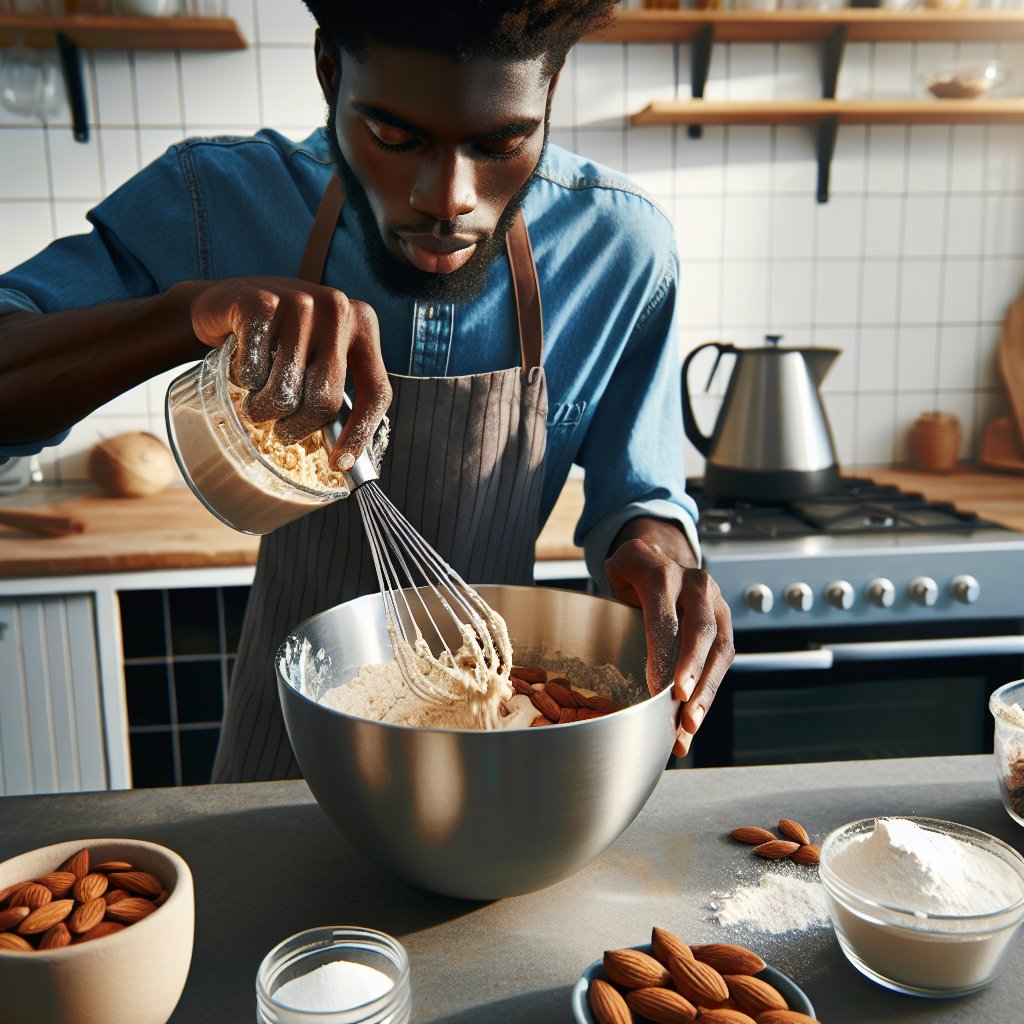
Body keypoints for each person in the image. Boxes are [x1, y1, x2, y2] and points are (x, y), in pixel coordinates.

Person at [0, 0, 734, 782]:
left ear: (549, 95)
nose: (448, 197)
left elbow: (642, 499)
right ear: (328, 71)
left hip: (498, 739)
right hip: (286, 744)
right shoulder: (217, 201)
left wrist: (660, 553)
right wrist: (186, 312)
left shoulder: (619, 249)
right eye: (394, 136)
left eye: (499, 143)